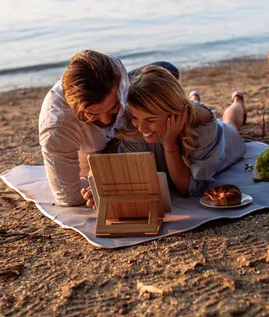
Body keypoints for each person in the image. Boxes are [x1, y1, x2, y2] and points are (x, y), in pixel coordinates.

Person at [38, 50, 178, 207]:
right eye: (92, 114)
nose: (106, 120)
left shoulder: (116, 67)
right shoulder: (57, 127)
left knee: (167, 70)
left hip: (118, 138)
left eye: (112, 108)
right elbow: (67, 197)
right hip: (94, 162)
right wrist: (102, 185)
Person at [118, 65, 247, 197]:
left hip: (220, 142)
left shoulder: (202, 124)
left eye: (150, 120)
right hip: (185, 108)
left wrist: (170, 143)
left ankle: (238, 100)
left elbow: (187, 189)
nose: (140, 128)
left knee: (230, 123)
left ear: (174, 114)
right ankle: (194, 99)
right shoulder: (129, 122)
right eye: (135, 118)